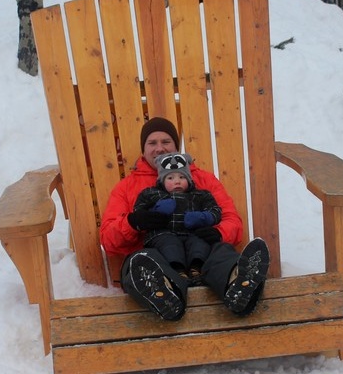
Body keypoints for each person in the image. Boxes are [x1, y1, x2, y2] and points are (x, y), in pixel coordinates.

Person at [100, 117, 270, 321]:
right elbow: (108, 240)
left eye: (166, 142)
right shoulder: (127, 187)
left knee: (221, 251)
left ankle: (238, 283)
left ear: (176, 146)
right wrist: (133, 222)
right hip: (157, 255)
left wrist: (218, 232)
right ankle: (164, 291)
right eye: (152, 143)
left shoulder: (203, 180)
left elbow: (231, 220)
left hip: (201, 255)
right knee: (139, 261)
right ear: (143, 149)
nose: (159, 148)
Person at [133, 151, 222, 285]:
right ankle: (177, 271)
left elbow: (216, 211)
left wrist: (203, 217)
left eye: (182, 177)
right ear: (162, 181)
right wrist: (154, 210)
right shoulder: (151, 194)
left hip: (192, 233)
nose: (177, 181)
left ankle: (196, 269)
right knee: (169, 244)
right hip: (163, 233)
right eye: (170, 178)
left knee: (200, 242)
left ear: (189, 179)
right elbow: (138, 211)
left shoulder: (200, 195)